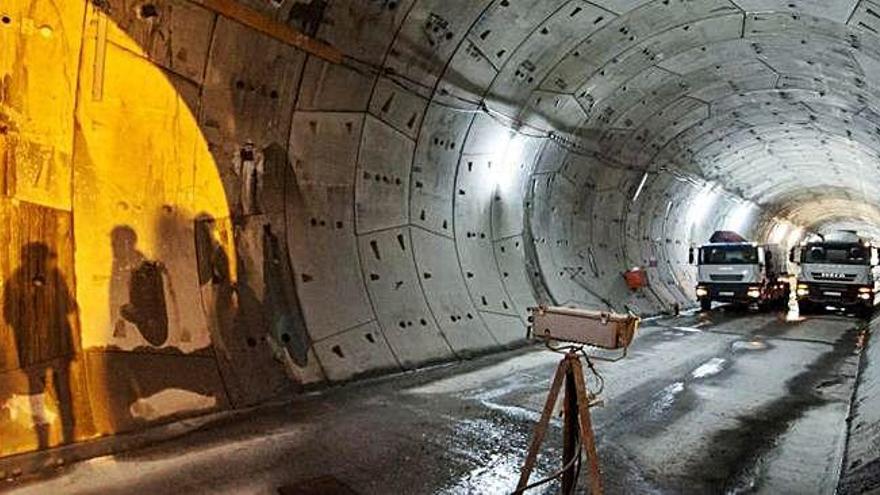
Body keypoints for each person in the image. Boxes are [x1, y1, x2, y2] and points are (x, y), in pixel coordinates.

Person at [3, 242, 77, 449]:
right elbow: (70, 307)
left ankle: (49, 440)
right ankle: (59, 437)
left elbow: (9, 314)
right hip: (50, 347)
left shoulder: (21, 280)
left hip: (40, 348)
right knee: (57, 391)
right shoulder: (51, 277)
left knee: (43, 392)